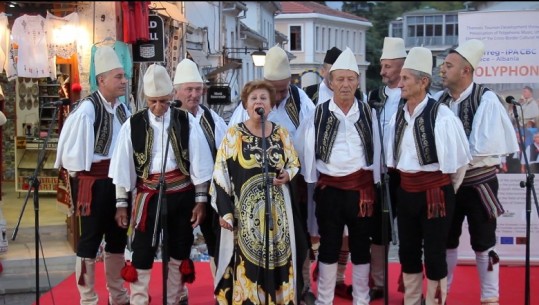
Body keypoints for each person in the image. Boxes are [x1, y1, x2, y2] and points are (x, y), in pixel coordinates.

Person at [109, 64, 214, 304]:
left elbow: (200, 163)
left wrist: (200, 202)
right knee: (143, 248)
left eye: (164, 102)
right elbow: (122, 168)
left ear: (172, 98)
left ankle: (173, 297)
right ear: (146, 99)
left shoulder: (186, 120)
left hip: (182, 193)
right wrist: (122, 204)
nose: (158, 108)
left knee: (179, 246)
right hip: (148, 195)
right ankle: (138, 300)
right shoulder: (132, 124)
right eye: (153, 102)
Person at [384, 47, 472, 305]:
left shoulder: (442, 116)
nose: (400, 84)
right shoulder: (399, 116)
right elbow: (393, 160)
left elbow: (458, 166)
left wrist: (443, 190)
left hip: (435, 194)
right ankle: (412, 300)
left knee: (434, 254)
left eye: (406, 79)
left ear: (423, 82)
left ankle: (435, 301)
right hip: (406, 192)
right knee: (408, 251)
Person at [228, 44, 314, 303]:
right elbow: (230, 147)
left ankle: (300, 287)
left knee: (298, 239)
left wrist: (292, 172)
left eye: (283, 89)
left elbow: (308, 145)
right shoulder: (250, 104)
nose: (277, 95)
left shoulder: (301, 102)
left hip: (289, 187)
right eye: (273, 90)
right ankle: (258, 291)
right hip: (251, 190)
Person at [295, 47, 380, 305]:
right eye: (339, 79)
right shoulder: (316, 114)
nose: (345, 84)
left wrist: (376, 182)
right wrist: (311, 182)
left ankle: (362, 299)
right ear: (330, 82)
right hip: (330, 190)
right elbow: (304, 148)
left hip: (361, 191)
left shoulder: (368, 112)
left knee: (361, 247)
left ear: (357, 81)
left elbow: (377, 150)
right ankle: (324, 300)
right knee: (329, 246)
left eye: (350, 79)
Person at [437, 39, 519, 305]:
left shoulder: (487, 100)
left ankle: (490, 297)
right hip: (447, 183)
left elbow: (481, 147)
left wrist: (454, 167)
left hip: (478, 182)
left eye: (449, 65)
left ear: (466, 71)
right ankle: (442, 294)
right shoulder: (440, 101)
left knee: (484, 241)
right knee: (447, 238)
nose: (442, 70)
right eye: (443, 65)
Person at [210, 80, 302, 304]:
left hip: (278, 213)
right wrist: (225, 212)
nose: (258, 102)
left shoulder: (281, 133)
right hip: (246, 217)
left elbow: (294, 162)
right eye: (254, 98)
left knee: (279, 259)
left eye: (263, 98)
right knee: (248, 263)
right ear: (245, 104)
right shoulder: (234, 135)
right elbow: (220, 173)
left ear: (270, 106)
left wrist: (288, 174)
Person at [54, 45, 131, 305]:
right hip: (95, 185)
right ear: (102, 80)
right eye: (118, 76)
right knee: (89, 241)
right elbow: (73, 159)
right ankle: (88, 299)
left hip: (119, 183)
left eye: (124, 76)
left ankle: (118, 295)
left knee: (117, 239)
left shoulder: (123, 108)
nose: (124, 80)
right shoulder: (87, 110)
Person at [172, 58, 228, 302]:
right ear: (176, 91)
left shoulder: (212, 118)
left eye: (198, 89)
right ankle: (177, 292)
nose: (195, 95)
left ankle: (221, 291)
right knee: (178, 243)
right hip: (179, 191)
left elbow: (225, 153)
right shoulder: (167, 119)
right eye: (189, 90)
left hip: (212, 192)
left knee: (216, 242)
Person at [366, 37, 407, 300]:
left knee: (410, 230)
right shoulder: (374, 96)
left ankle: (408, 280)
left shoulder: (412, 92)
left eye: (388, 66)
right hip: (381, 173)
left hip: (407, 172)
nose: (382, 72)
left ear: (402, 66)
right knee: (378, 230)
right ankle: (379, 282)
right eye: (382, 66)